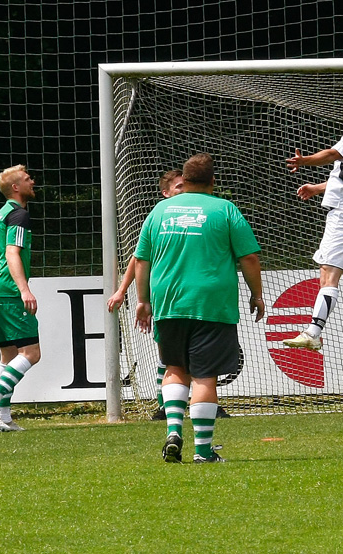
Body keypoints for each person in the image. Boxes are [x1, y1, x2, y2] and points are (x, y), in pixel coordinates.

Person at [134, 153, 265, 463]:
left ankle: (173, 429)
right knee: (205, 377)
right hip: (211, 302)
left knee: (175, 368)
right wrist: (256, 293)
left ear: (186, 180)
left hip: (169, 301)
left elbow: (142, 260)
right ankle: (203, 451)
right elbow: (249, 258)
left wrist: (143, 301)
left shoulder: (160, 211)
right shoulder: (225, 209)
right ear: (213, 181)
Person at [283, 97, 343, 370]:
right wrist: (317, 188)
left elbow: (331, 154)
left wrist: (305, 161)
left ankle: (313, 333)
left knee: (329, 273)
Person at [106, 169, 184, 420]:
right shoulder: (158, 218)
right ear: (165, 193)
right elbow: (139, 257)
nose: (184, 191)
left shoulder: (200, 214)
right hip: (166, 295)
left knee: (199, 354)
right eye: (179, 187)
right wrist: (122, 291)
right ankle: (164, 406)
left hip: (195, 294)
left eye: (187, 186)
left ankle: (207, 404)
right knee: (167, 353)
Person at [0, 165, 42, 432]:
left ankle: (2, 416)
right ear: (16, 187)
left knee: (8, 355)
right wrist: (24, 289)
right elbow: (12, 253)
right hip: (8, 291)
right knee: (31, 353)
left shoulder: (1, 214)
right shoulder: (18, 214)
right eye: (27, 179)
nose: (32, 181)